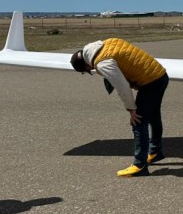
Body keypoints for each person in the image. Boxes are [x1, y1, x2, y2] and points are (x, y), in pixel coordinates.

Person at [70, 38, 169, 177]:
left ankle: (139, 165)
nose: (90, 70)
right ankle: (155, 152)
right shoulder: (107, 43)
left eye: (86, 70)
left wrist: (131, 109)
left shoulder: (103, 63)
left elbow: (123, 88)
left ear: (86, 66)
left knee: (138, 122)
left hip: (150, 83)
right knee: (153, 115)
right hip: (160, 75)